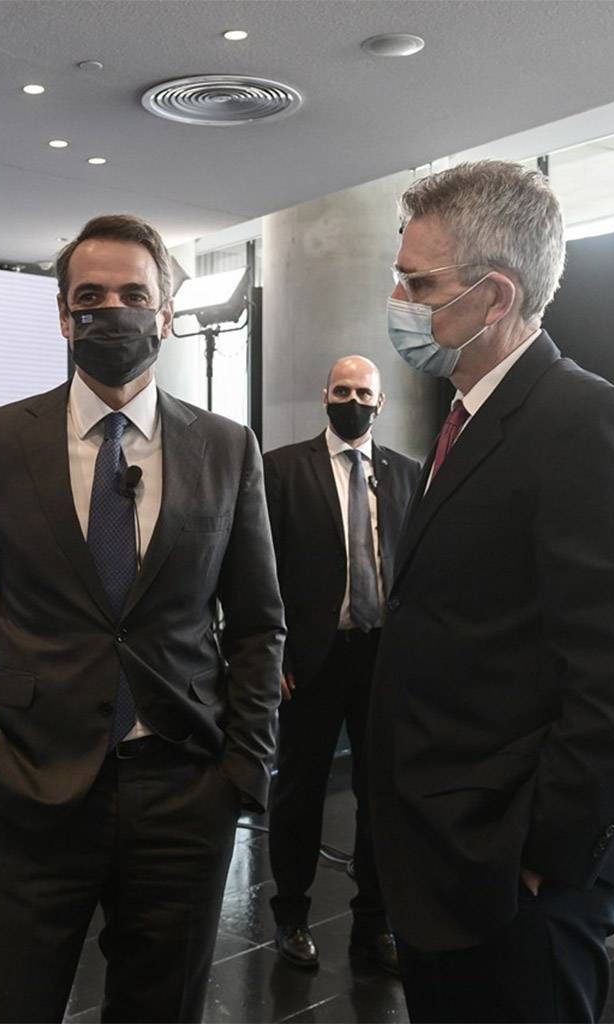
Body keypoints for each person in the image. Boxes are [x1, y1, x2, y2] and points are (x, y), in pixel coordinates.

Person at [0, 214, 284, 1023]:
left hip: (184, 787)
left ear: (166, 314)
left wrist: (244, 767)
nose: (111, 311)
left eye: (133, 295)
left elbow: (259, 622)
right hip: (28, 780)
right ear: (62, 315)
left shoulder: (228, 448)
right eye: (89, 297)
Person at [369, 160, 614, 1022]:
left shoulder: (579, 420)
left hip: (512, 879)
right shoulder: (467, 416)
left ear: (497, 296)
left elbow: (606, 673)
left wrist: (543, 851)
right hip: (441, 860)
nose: (399, 301)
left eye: (420, 285)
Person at [263, 356, 419, 975]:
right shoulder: (282, 470)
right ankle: (291, 917)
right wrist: (272, 652)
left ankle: (373, 925)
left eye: (364, 393)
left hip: (383, 659)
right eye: (342, 390)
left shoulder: (406, 474)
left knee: (380, 796)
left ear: (381, 403)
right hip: (309, 660)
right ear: (324, 395)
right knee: (298, 793)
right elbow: (262, 569)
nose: (353, 401)